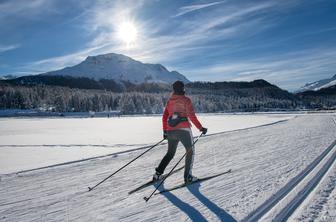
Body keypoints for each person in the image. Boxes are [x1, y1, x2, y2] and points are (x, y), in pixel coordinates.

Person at [153, 81, 207, 183]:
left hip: (170, 130)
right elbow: (192, 116)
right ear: (182, 88)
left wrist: (165, 131)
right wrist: (201, 128)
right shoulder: (186, 100)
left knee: (170, 153)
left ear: (173, 89)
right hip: (184, 130)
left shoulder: (170, 101)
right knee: (190, 151)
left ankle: (157, 174)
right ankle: (188, 177)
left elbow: (165, 117)